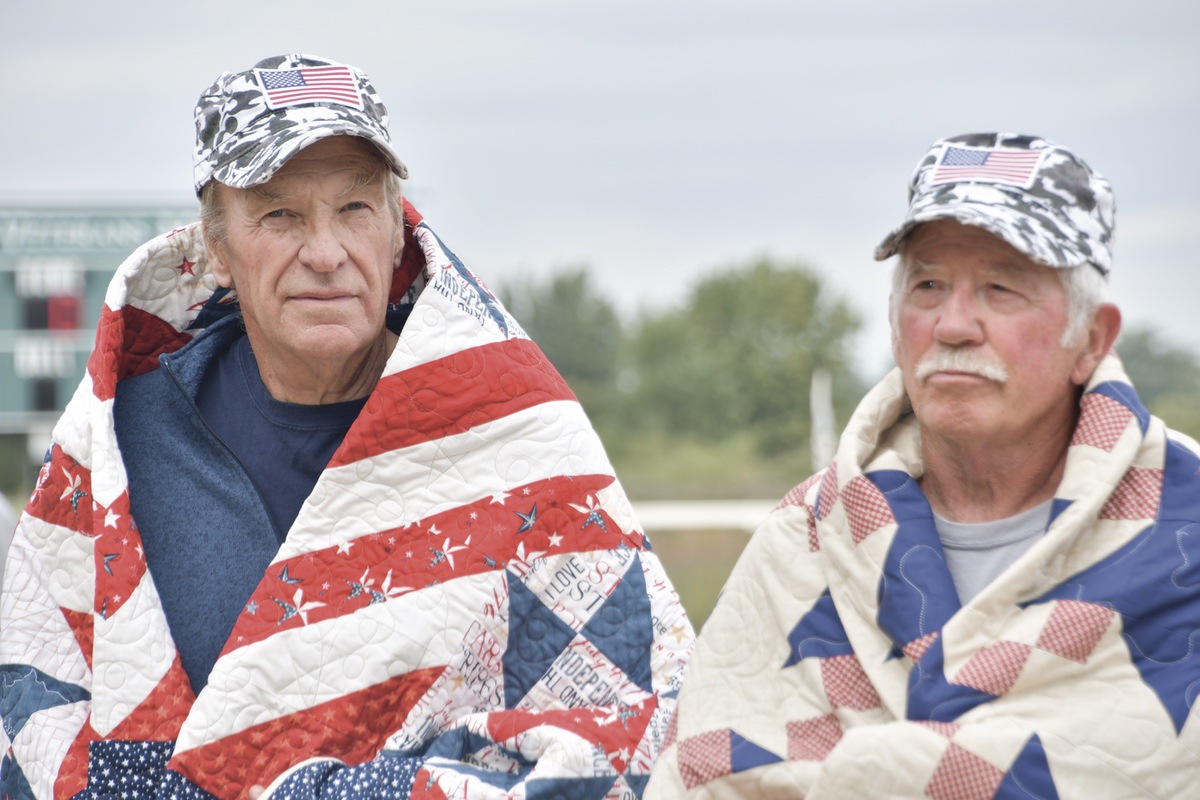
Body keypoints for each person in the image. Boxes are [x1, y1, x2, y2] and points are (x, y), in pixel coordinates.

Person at [0, 54, 692, 800]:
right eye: (280, 214)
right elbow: (40, 719)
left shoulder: (513, 438)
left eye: (355, 209)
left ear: (399, 230)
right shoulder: (123, 449)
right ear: (218, 247)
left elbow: (642, 730)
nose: (326, 254)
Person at [646, 132, 1200, 798]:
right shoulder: (807, 537)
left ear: (1090, 339)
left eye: (1001, 288)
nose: (954, 324)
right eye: (929, 286)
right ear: (891, 316)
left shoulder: (1186, 523)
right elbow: (710, 774)